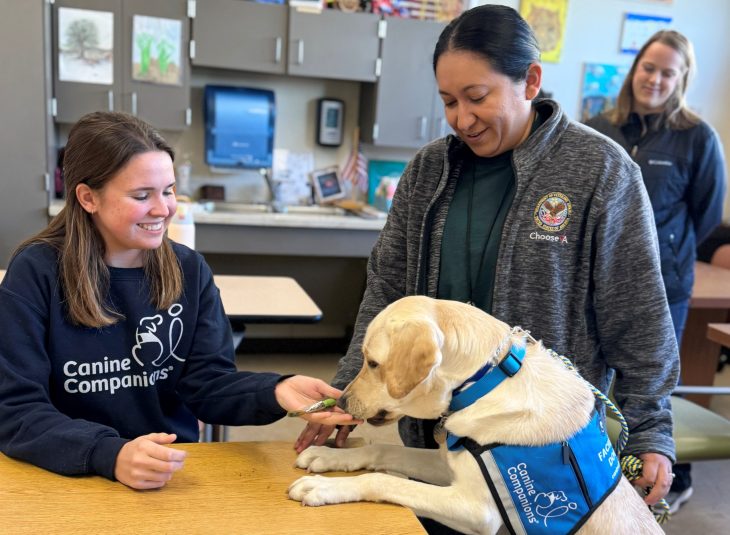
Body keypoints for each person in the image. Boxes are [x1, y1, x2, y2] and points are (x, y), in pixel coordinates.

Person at [296, 4, 679, 532]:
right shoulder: (429, 169)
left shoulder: (601, 171)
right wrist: (352, 393)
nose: (462, 118)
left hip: (545, 452)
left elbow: (638, 317)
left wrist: (651, 429)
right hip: (439, 433)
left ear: (531, 81)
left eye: (478, 97)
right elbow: (385, 293)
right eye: (449, 101)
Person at [0, 111, 359, 490]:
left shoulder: (188, 269)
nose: (163, 209)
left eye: (168, 190)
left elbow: (205, 384)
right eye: (142, 195)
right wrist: (111, 453)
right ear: (88, 197)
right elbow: (17, 410)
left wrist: (274, 390)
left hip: (168, 475)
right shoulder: (37, 272)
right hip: (70, 473)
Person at [586, 30, 727, 514]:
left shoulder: (697, 137)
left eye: (669, 72)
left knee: (656, 380)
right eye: (649, 67)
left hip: (665, 286)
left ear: (682, 78)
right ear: (634, 69)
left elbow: (706, 215)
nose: (656, 79)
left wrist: (665, 247)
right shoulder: (600, 126)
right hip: (597, 282)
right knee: (597, 380)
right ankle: (597, 471)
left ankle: (672, 474)